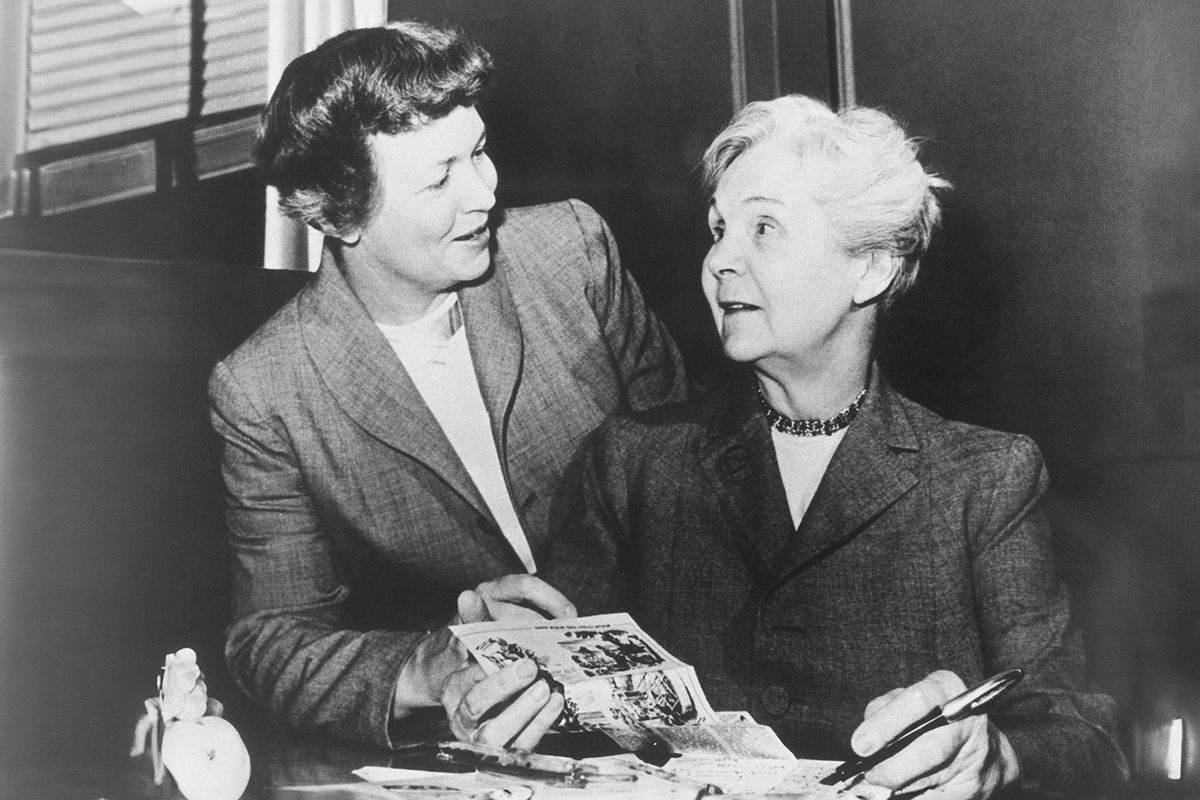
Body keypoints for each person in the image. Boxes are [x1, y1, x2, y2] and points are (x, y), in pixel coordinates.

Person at [541, 95, 1128, 797]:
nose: (721, 259)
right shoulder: (633, 463)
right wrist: (515, 664)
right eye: (719, 229)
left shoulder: (985, 480)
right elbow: (560, 725)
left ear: (871, 269)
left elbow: (1087, 743)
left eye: (764, 228)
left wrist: (994, 755)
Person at [207, 21, 687, 749]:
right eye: (439, 178)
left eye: (480, 152)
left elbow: (703, 480)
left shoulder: (573, 252)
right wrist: (429, 667)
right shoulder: (266, 390)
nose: (485, 194)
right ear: (340, 213)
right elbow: (272, 640)